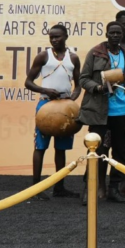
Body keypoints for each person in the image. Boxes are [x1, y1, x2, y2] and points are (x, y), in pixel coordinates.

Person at [78, 21, 125, 204]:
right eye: (112, 32)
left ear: (123, 35)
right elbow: (83, 79)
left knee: (120, 152)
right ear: (106, 34)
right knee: (96, 151)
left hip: (122, 111)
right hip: (99, 111)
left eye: (118, 33)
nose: (115, 35)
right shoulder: (95, 53)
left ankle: (114, 189)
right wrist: (97, 87)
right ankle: (89, 190)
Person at [25, 24, 82, 199]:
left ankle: (59, 187)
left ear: (66, 37)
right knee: (40, 147)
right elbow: (28, 82)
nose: (54, 40)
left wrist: (72, 98)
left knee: (61, 148)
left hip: (65, 107)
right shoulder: (44, 56)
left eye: (57, 36)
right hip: (46, 106)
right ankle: (35, 188)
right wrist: (45, 90)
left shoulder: (73, 58)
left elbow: (78, 85)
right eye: (51, 37)